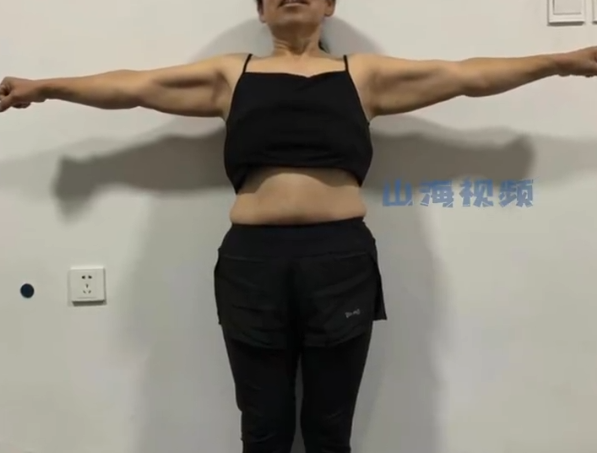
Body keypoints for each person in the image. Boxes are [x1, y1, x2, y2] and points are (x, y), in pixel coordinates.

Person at [2, 0, 597, 451]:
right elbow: (134, 86)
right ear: (260, 10)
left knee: (328, 430)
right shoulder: (230, 76)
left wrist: (563, 61)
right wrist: (45, 88)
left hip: (340, 262)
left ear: (329, 4)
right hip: (251, 265)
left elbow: (465, 75)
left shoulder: (362, 75)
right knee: (263, 429)